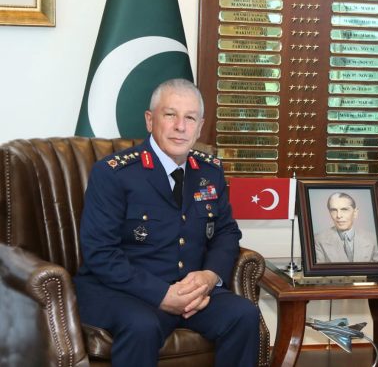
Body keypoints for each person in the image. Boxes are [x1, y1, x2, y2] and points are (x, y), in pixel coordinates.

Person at [73, 79, 259, 367]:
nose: (180, 127)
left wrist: (209, 277)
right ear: (150, 120)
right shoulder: (114, 174)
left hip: (190, 291)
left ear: (200, 126)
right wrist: (161, 294)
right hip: (123, 291)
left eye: (190, 118)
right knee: (141, 326)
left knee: (243, 315)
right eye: (170, 115)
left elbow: (225, 232)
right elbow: (100, 252)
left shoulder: (209, 172)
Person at [314, 192, 378, 263]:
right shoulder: (318, 240)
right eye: (334, 210)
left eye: (344, 209)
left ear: (355, 213)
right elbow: (319, 272)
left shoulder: (373, 239)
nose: (338, 216)